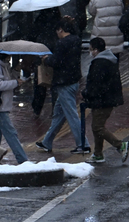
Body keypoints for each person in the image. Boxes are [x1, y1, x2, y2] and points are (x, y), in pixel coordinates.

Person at [35, 21, 90, 156]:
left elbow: (56, 62)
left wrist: (47, 59)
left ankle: (83, 144)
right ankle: (47, 141)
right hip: (73, 80)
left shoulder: (62, 43)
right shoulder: (76, 40)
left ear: (60, 30)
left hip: (63, 82)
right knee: (59, 114)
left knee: (71, 115)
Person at [82, 37, 128, 164]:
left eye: (91, 49)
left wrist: (86, 94)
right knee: (97, 126)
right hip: (107, 99)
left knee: (97, 127)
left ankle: (120, 145)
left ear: (96, 50)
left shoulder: (99, 63)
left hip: (103, 100)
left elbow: (96, 85)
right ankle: (98, 153)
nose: (90, 52)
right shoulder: (110, 60)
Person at [0, 52, 28, 165]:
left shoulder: (3, 65)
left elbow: (7, 79)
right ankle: (22, 160)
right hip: (0, 105)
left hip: (3, 104)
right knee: (11, 133)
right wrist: (15, 82)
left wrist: (16, 71)